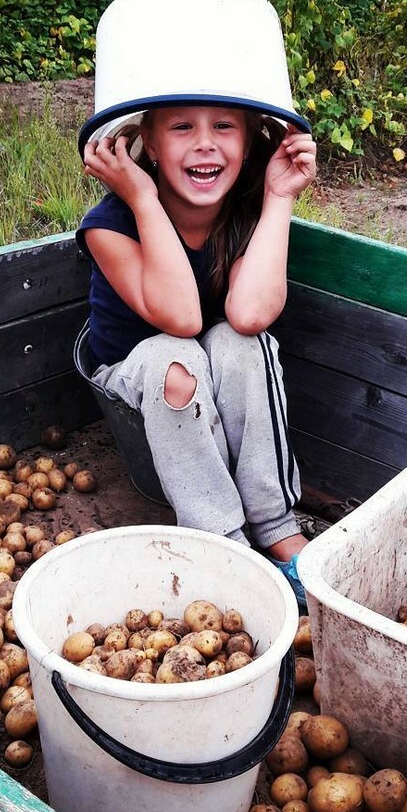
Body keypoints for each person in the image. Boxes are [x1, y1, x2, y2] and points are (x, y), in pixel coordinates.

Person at [77, 104, 317, 606]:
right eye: (182, 127)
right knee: (174, 359)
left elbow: (250, 314)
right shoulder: (110, 223)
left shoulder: (246, 211)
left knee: (241, 342)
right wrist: (143, 197)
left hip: (214, 365)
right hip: (138, 376)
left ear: (249, 143)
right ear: (152, 144)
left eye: (224, 127)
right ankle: (221, 540)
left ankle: (273, 523)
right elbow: (182, 319)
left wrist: (278, 199)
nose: (205, 143)